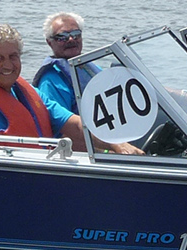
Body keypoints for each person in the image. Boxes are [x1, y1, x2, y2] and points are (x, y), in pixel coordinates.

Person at [0, 23, 87, 147]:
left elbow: (76, 126)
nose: (8, 65)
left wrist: (102, 136)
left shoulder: (33, 95)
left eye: (13, 56)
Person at [31, 11, 143, 154]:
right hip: (95, 153)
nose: (71, 39)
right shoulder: (51, 81)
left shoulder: (88, 67)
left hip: (119, 134)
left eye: (76, 34)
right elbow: (63, 135)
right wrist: (108, 152)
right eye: (62, 37)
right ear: (49, 42)